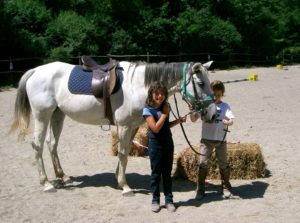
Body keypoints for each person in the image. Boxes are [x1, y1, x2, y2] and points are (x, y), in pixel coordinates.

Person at [143, 82, 186, 213]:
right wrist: (164, 114)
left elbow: (165, 126)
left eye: (162, 94)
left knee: (167, 174)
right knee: (156, 174)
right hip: (155, 145)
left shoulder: (165, 107)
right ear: (151, 94)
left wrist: (178, 121)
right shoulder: (147, 110)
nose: (160, 96)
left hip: (168, 143)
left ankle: (169, 200)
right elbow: (155, 128)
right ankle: (155, 201)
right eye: (157, 93)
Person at [190, 80, 234, 200]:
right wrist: (192, 110)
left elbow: (231, 119)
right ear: (210, 93)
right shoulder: (204, 105)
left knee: (223, 164)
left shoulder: (225, 106)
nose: (215, 97)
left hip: (220, 140)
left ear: (222, 94)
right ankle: (200, 188)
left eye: (218, 95)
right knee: (203, 164)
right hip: (206, 140)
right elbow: (193, 119)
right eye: (213, 94)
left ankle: (226, 186)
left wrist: (228, 122)